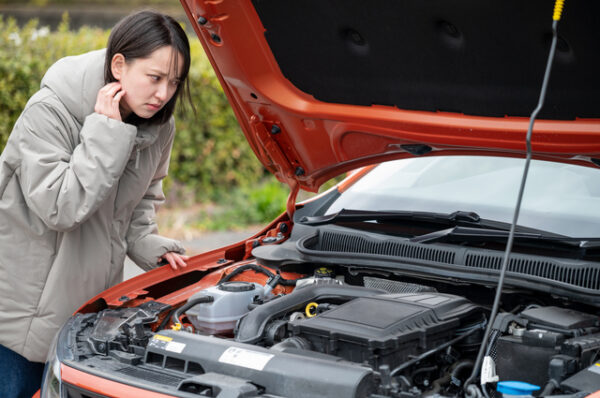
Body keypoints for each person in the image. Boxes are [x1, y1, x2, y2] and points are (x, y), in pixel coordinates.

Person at [0, 10, 192, 397]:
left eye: (174, 82)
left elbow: (138, 205)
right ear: (118, 65)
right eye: (154, 78)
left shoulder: (158, 125)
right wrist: (105, 133)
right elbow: (60, 208)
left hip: (88, 308)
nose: (163, 94)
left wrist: (152, 247)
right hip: (19, 314)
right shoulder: (50, 111)